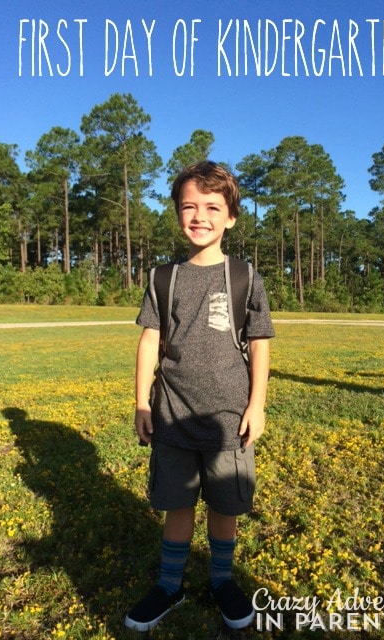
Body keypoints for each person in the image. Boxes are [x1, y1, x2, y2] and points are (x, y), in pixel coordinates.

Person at [125, 161, 275, 632]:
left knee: (226, 506)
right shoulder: (162, 278)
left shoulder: (245, 276)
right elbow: (150, 341)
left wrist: (257, 405)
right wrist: (142, 402)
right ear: (177, 213)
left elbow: (260, 343)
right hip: (171, 415)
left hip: (229, 418)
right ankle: (170, 586)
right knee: (177, 504)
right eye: (189, 206)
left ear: (231, 216)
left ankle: (222, 580)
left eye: (213, 207)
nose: (200, 216)